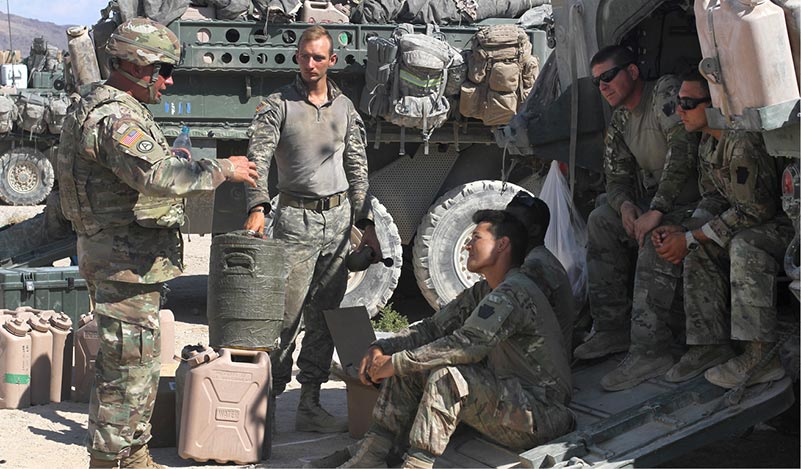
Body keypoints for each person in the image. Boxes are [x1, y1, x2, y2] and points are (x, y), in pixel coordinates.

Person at [56, 18, 258, 469]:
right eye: (162, 70)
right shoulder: (116, 116)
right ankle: (111, 462)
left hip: (127, 260)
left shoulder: (106, 106)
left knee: (139, 365)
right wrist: (223, 169)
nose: (168, 80)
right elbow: (155, 175)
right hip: (123, 263)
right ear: (133, 66)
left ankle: (134, 454)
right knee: (125, 372)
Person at [321, 209, 573, 469]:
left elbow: (466, 345)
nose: (467, 244)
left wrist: (396, 362)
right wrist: (383, 347)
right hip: (509, 398)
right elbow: (433, 328)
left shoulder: (514, 291)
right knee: (412, 368)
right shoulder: (485, 290)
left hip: (541, 413)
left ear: (502, 245)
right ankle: (373, 453)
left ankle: (417, 464)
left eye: (476, 238)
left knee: (446, 378)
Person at [244, 25, 381, 433]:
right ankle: (266, 403)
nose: (309, 64)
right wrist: (257, 206)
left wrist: (365, 223)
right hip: (295, 220)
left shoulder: (344, 106)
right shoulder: (278, 104)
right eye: (304, 56)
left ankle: (309, 402)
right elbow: (258, 158)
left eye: (318, 57)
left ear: (331, 61)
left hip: (338, 222)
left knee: (326, 318)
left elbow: (358, 169)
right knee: (284, 317)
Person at [652, 70, 792, 388]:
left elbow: (755, 211)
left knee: (745, 245)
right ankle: (709, 345)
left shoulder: (741, 144)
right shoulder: (709, 142)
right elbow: (714, 197)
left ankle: (760, 357)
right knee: (697, 245)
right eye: (677, 103)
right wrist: (686, 231)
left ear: (714, 105)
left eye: (688, 103)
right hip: (751, 219)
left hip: (783, 226)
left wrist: (691, 235)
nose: (679, 111)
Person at [576, 45, 701, 391]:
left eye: (608, 77)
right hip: (656, 204)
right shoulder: (620, 120)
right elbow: (615, 176)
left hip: (695, 204)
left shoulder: (664, 93)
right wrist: (626, 207)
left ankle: (651, 350)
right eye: (597, 82)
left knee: (656, 236)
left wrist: (656, 210)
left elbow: (683, 151)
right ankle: (612, 329)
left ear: (632, 72)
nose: (603, 86)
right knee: (601, 219)